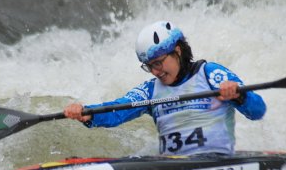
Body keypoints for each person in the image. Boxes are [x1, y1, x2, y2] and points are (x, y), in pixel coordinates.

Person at [64, 21, 266, 155]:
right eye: (149, 66)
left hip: (217, 162)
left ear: (177, 51)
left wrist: (239, 96)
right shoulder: (150, 90)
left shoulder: (210, 73)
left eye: (158, 63)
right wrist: (88, 114)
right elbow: (118, 109)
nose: (154, 71)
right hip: (172, 169)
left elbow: (258, 111)